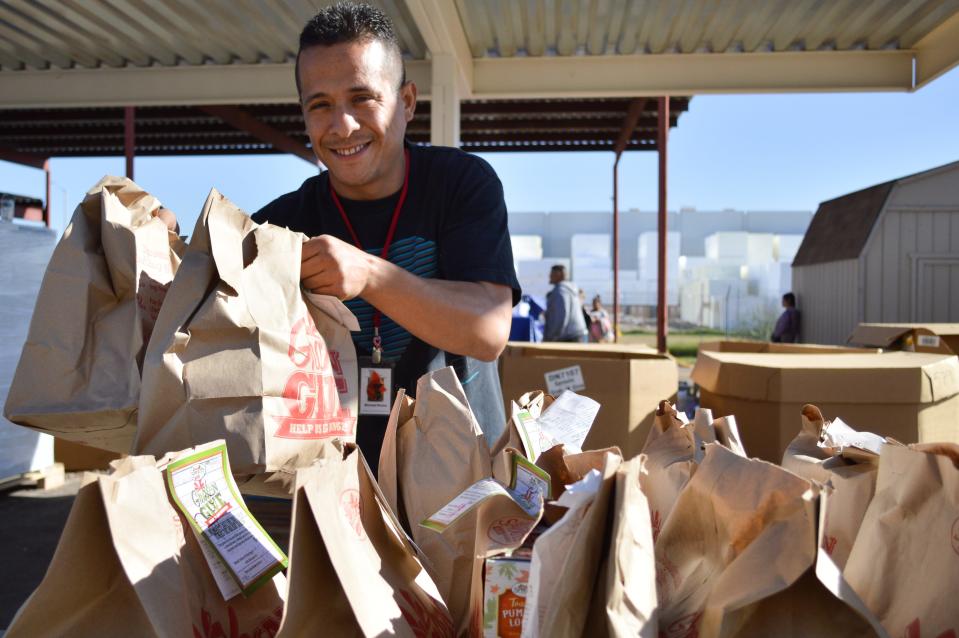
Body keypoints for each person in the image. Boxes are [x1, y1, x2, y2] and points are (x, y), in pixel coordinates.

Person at [167, 3, 519, 468]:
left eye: (362, 98)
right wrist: (168, 258)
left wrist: (369, 274)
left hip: (461, 481)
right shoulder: (279, 226)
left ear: (407, 102)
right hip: (337, 485)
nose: (343, 125)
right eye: (321, 105)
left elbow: (488, 331)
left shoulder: (461, 185)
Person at [544, 265, 588, 343]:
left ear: (558, 274)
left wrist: (551, 337)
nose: (549, 276)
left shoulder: (561, 291)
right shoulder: (569, 290)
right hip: (576, 335)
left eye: (551, 273)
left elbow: (561, 317)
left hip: (569, 337)